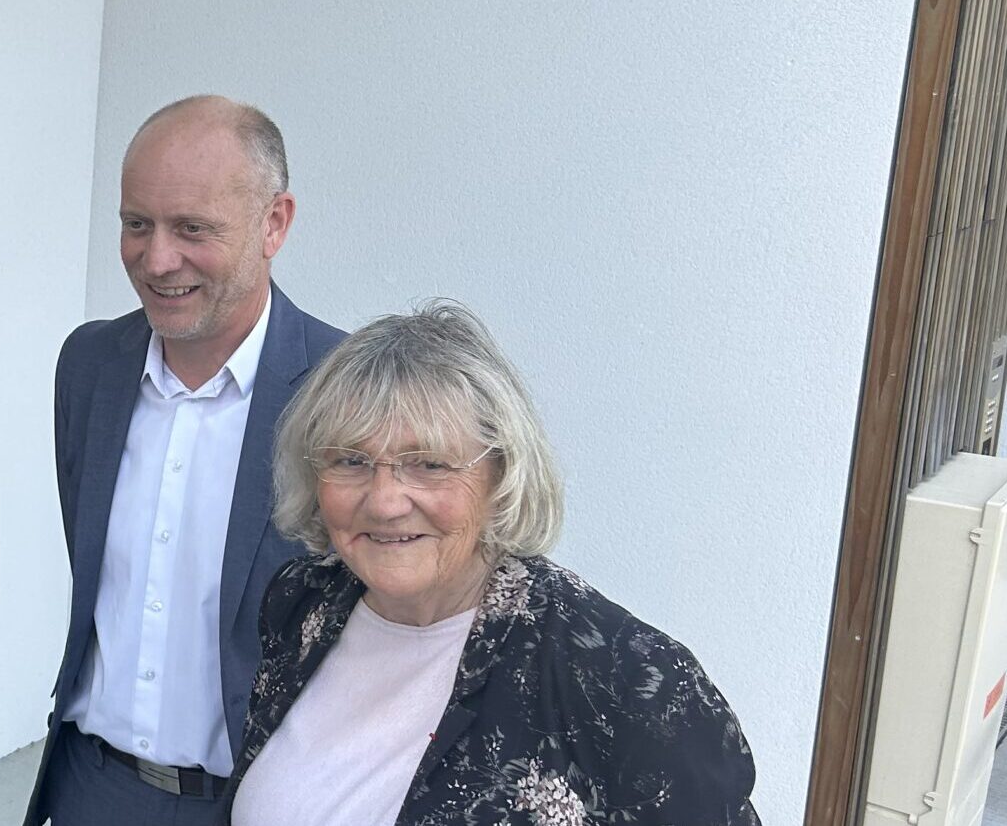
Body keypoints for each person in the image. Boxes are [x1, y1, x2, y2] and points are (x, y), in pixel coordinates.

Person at [231, 302, 759, 825]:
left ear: (502, 475)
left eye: (430, 464)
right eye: (352, 460)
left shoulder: (624, 678)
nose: (385, 501)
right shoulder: (304, 601)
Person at [25, 96, 344, 825]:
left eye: (192, 228)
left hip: (255, 803)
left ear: (274, 223)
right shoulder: (89, 365)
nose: (157, 259)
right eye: (136, 224)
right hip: (88, 787)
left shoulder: (345, 387)